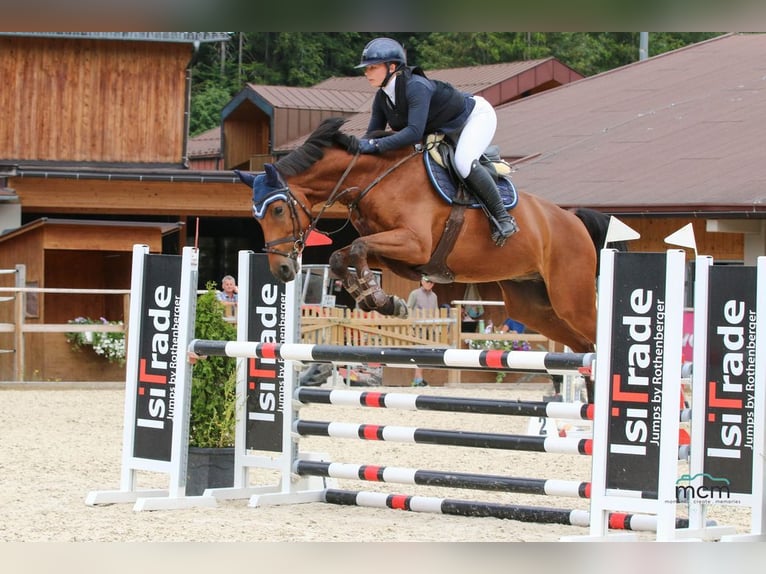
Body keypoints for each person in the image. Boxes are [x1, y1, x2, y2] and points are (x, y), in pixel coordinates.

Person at [354, 37, 518, 246]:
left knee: (463, 161)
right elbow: (372, 134)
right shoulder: (382, 97)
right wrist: (354, 148)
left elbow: (413, 132)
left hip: (475, 117)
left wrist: (375, 146)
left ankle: (503, 218)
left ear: (392, 67)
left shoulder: (416, 87)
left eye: (372, 67)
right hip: (444, 126)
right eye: (366, 68)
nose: (366, 73)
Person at [407, 275, 438, 387]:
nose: (429, 284)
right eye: (427, 281)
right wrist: (410, 327)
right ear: (422, 281)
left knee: (425, 353)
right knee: (419, 352)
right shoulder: (415, 294)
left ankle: (418, 379)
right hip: (417, 328)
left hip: (430, 329)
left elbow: (436, 311)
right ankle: (418, 378)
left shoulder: (434, 296)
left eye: (432, 282)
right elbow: (408, 309)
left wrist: (436, 328)